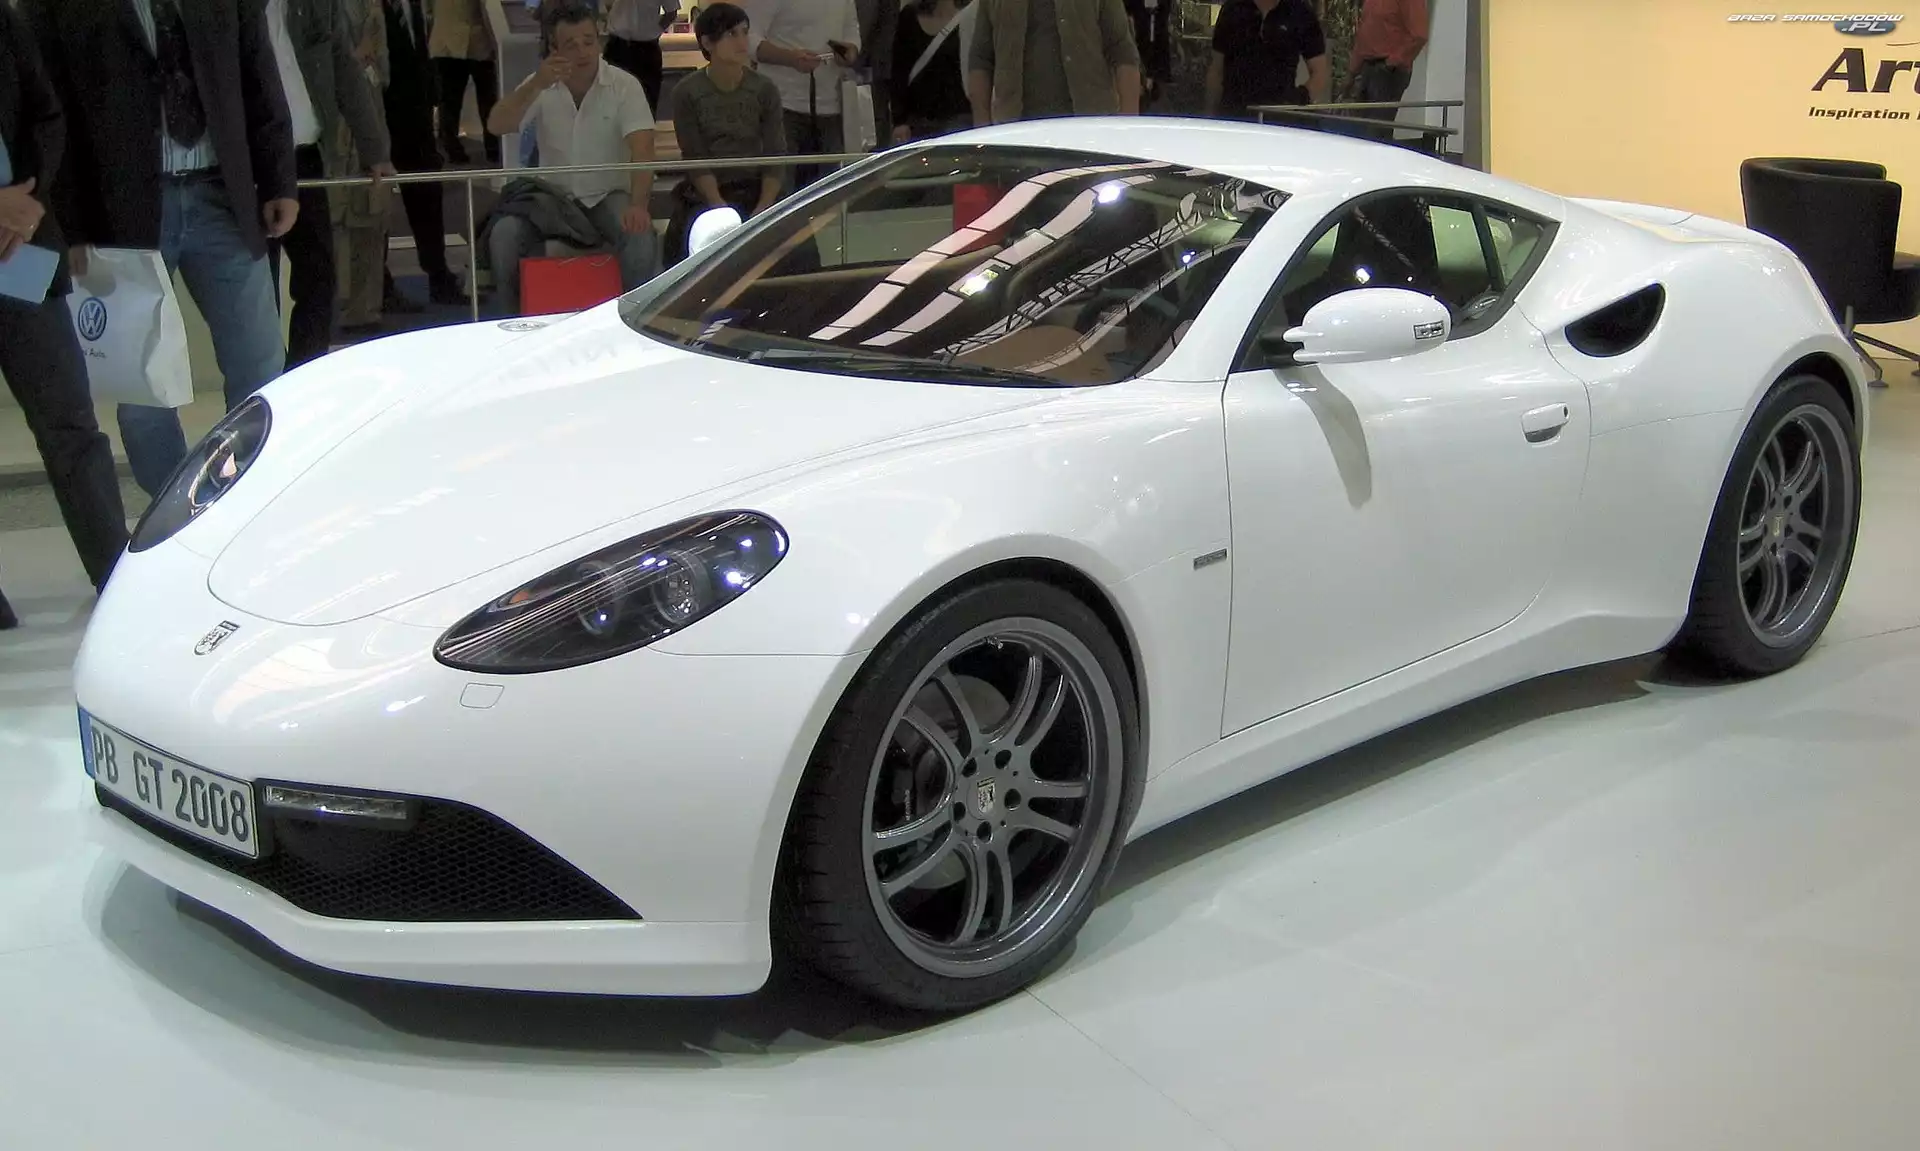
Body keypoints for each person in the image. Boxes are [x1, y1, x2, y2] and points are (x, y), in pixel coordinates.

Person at [23, 0, 297, 500]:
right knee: (142, 389)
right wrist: (74, 227)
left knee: (260, 364)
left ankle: (249, 495)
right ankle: (179, 507)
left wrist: (280, 180)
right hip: (122, 212)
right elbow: (54, 108)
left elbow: (259, 76)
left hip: (223, 198)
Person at [0, 1, 129, 624]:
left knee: (70, 422)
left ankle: (119, 577)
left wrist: (25, 201)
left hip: (20, 252)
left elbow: (46, 116)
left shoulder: (5, 20)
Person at [483, 1, 660, 314]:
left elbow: (643, 148)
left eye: (588, 42)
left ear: (600, 41)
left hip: (608, 194)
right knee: (503, 235)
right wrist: (535, 84)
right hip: (552, 198)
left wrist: (638, 204)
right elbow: (497, 125)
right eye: (571, 45)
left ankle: (636, 318)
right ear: (554, 49)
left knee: (640, 235)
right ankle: (512, 322)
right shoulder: (539, 84)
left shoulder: (624, 85)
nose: (582, 52)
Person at [264, 0, 398, 367]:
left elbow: (344, 67)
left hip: (306, 155)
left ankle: (303, 373)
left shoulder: (315, 7)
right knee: (259, 289)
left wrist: (374, 148)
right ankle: (265, 382)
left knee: (319, 277)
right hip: (250, 162)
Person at [666, 3, 786, 264]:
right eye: (732, 34)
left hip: (757, 186)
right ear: (708, 43)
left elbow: (776, 155)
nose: (742, 41)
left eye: (745, 32)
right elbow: (695, 156)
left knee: (795, 248)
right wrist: (719, 206)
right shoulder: (686, 92)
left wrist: (764, 207)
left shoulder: (764, 89)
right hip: (708, 191)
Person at [384, 0, 471, 309]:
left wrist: (432, 94)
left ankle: (438, 274)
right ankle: (378, 286)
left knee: (427, 193)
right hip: (377, 110)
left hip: (417, 111)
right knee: (375, 202)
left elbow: (419, 43)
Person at [739, 0, 862, 190]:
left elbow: (851, 30)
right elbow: (748, 36)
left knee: (829, 194)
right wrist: (790, 58)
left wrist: (850, 51)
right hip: (782, 107)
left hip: (832, 107)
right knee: (782, 192)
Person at [965, 0, 1140, 124]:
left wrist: (1128, 125)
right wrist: (982, 128)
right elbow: (980, 59)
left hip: (1090, 123)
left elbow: (1122, 51)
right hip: (1016, 129)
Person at [335, 0, 394, 333]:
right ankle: (347, 305)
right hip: (337, 123)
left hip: (371, 114)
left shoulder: (371, 7)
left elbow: (382, 71)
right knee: (342, 216)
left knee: (372, 212)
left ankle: (366, 306)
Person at [1205, 0, 1328, 122]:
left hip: (1278, 118)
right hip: (1234, 115)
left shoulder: (1300, 11)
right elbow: (1216, 69)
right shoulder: (1232, 9)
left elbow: (1320, 72)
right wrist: (1210, 116)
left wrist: (1298, 100)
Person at [889, 0, 974, 143]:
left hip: (961, 116)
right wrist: (900, 120)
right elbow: (899, 71)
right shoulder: (910, 16)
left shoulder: (971, 13)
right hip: (919, 119)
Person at [429, 0, 500, 164]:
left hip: (445, 41)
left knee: (449, 102)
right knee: (487, 100)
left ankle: (452, 148)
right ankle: (493, 148)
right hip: (478, 41)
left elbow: (428, 9)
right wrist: (496, 42)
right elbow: (487, 10)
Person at [1346, 0, 1428, 129]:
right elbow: (1365, 33)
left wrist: (1392, 62)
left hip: (1388, 72)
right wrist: (1352, 71)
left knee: (1375, 130)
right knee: (1357, 129)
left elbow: (1419, 35)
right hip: (1367, 67)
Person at [603, 0, 680, 114]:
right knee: (611, 99)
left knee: (647, 101)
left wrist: (655, 31)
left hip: (646, 49)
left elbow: (671, 12)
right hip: (617, 45)